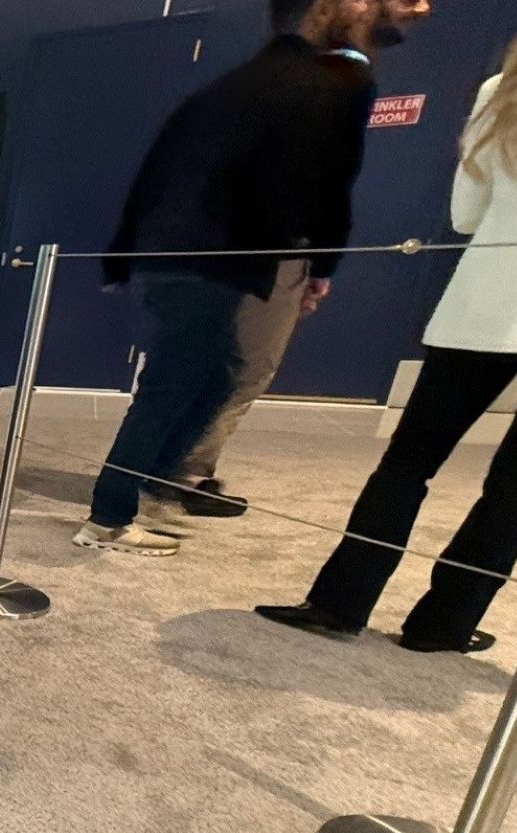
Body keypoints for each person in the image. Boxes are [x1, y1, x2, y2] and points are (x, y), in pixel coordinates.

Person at [257, 0, 517, 653]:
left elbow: (466, 215)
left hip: (486, 301)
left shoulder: (507, 90)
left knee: (410, 460)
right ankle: (443, 625)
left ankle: (337, 604)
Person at [77, 0, 380, 556]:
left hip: (176, 250)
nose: (365, 9)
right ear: (320, 10)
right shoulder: (329, 83)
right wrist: (324, 263)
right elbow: (332, 180)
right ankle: (110, 517)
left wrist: (122, 255)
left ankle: (151, 488)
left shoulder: (231, 85)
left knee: (216, 372)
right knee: (176, 384)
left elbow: (157, 165)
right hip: (215, 255)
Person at [158, 0, 434, 523]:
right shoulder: (341, 78)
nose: (421, 8)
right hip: (274, 245)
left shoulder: (264, 75)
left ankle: (151, 462)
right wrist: (323, 265)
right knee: (246, 365)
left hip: (214, 241)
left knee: (193, 360)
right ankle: (185, 471)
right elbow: (329, 184)